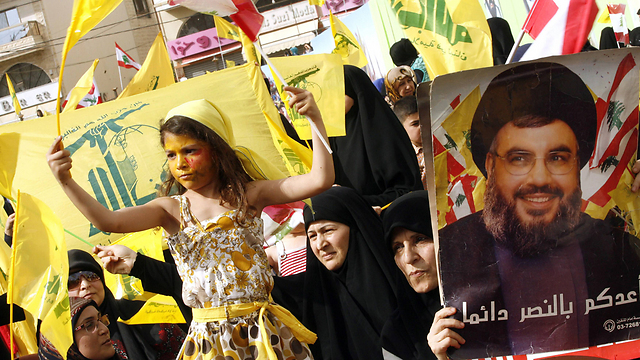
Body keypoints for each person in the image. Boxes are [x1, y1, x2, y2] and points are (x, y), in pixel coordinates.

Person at [47, 86, 333, 360]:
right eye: (171, 155)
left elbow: (320, 179)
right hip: (210, 341)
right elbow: (107, 220)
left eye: (190, 151)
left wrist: (315, 119)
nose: (180, 163)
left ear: (217, 150)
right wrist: (66, 181)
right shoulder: (170, 210)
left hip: (265, 335)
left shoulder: (250, 195)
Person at [434, 62, 640, 359]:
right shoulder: (451, 251)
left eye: (557, 157)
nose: (541, 179)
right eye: (519, 159)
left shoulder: (617, 248)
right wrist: (442, 352)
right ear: (490, 166)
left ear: (577, 166)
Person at [271, 187, 409, 359]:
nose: (320, 244)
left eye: (328, 230)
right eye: (312, 236)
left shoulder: (407, 275)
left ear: (355, 226)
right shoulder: (313, 297)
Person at [38, 249, 186, 360]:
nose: (85, 285)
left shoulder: (144, 313)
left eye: (91, 276)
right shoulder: (54, 339)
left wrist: (139, 264)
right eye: (72, 281)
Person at [332, 65, 422, 208]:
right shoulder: (333, 137)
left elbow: (406, 190)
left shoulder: (385, 132)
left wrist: (358, 202)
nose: (331, 102)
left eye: (337, 93)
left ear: (354, 90)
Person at [380, 190, 439, 360]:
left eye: (420, 239)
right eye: (398, 247)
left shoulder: (494, 308)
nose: (408, 258)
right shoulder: (396, 334)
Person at [394, 95, 428, 190]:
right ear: (401, 128)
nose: (423, 126)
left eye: (425, 120)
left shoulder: (442, 143)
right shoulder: (402, 156)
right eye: (415, 124)